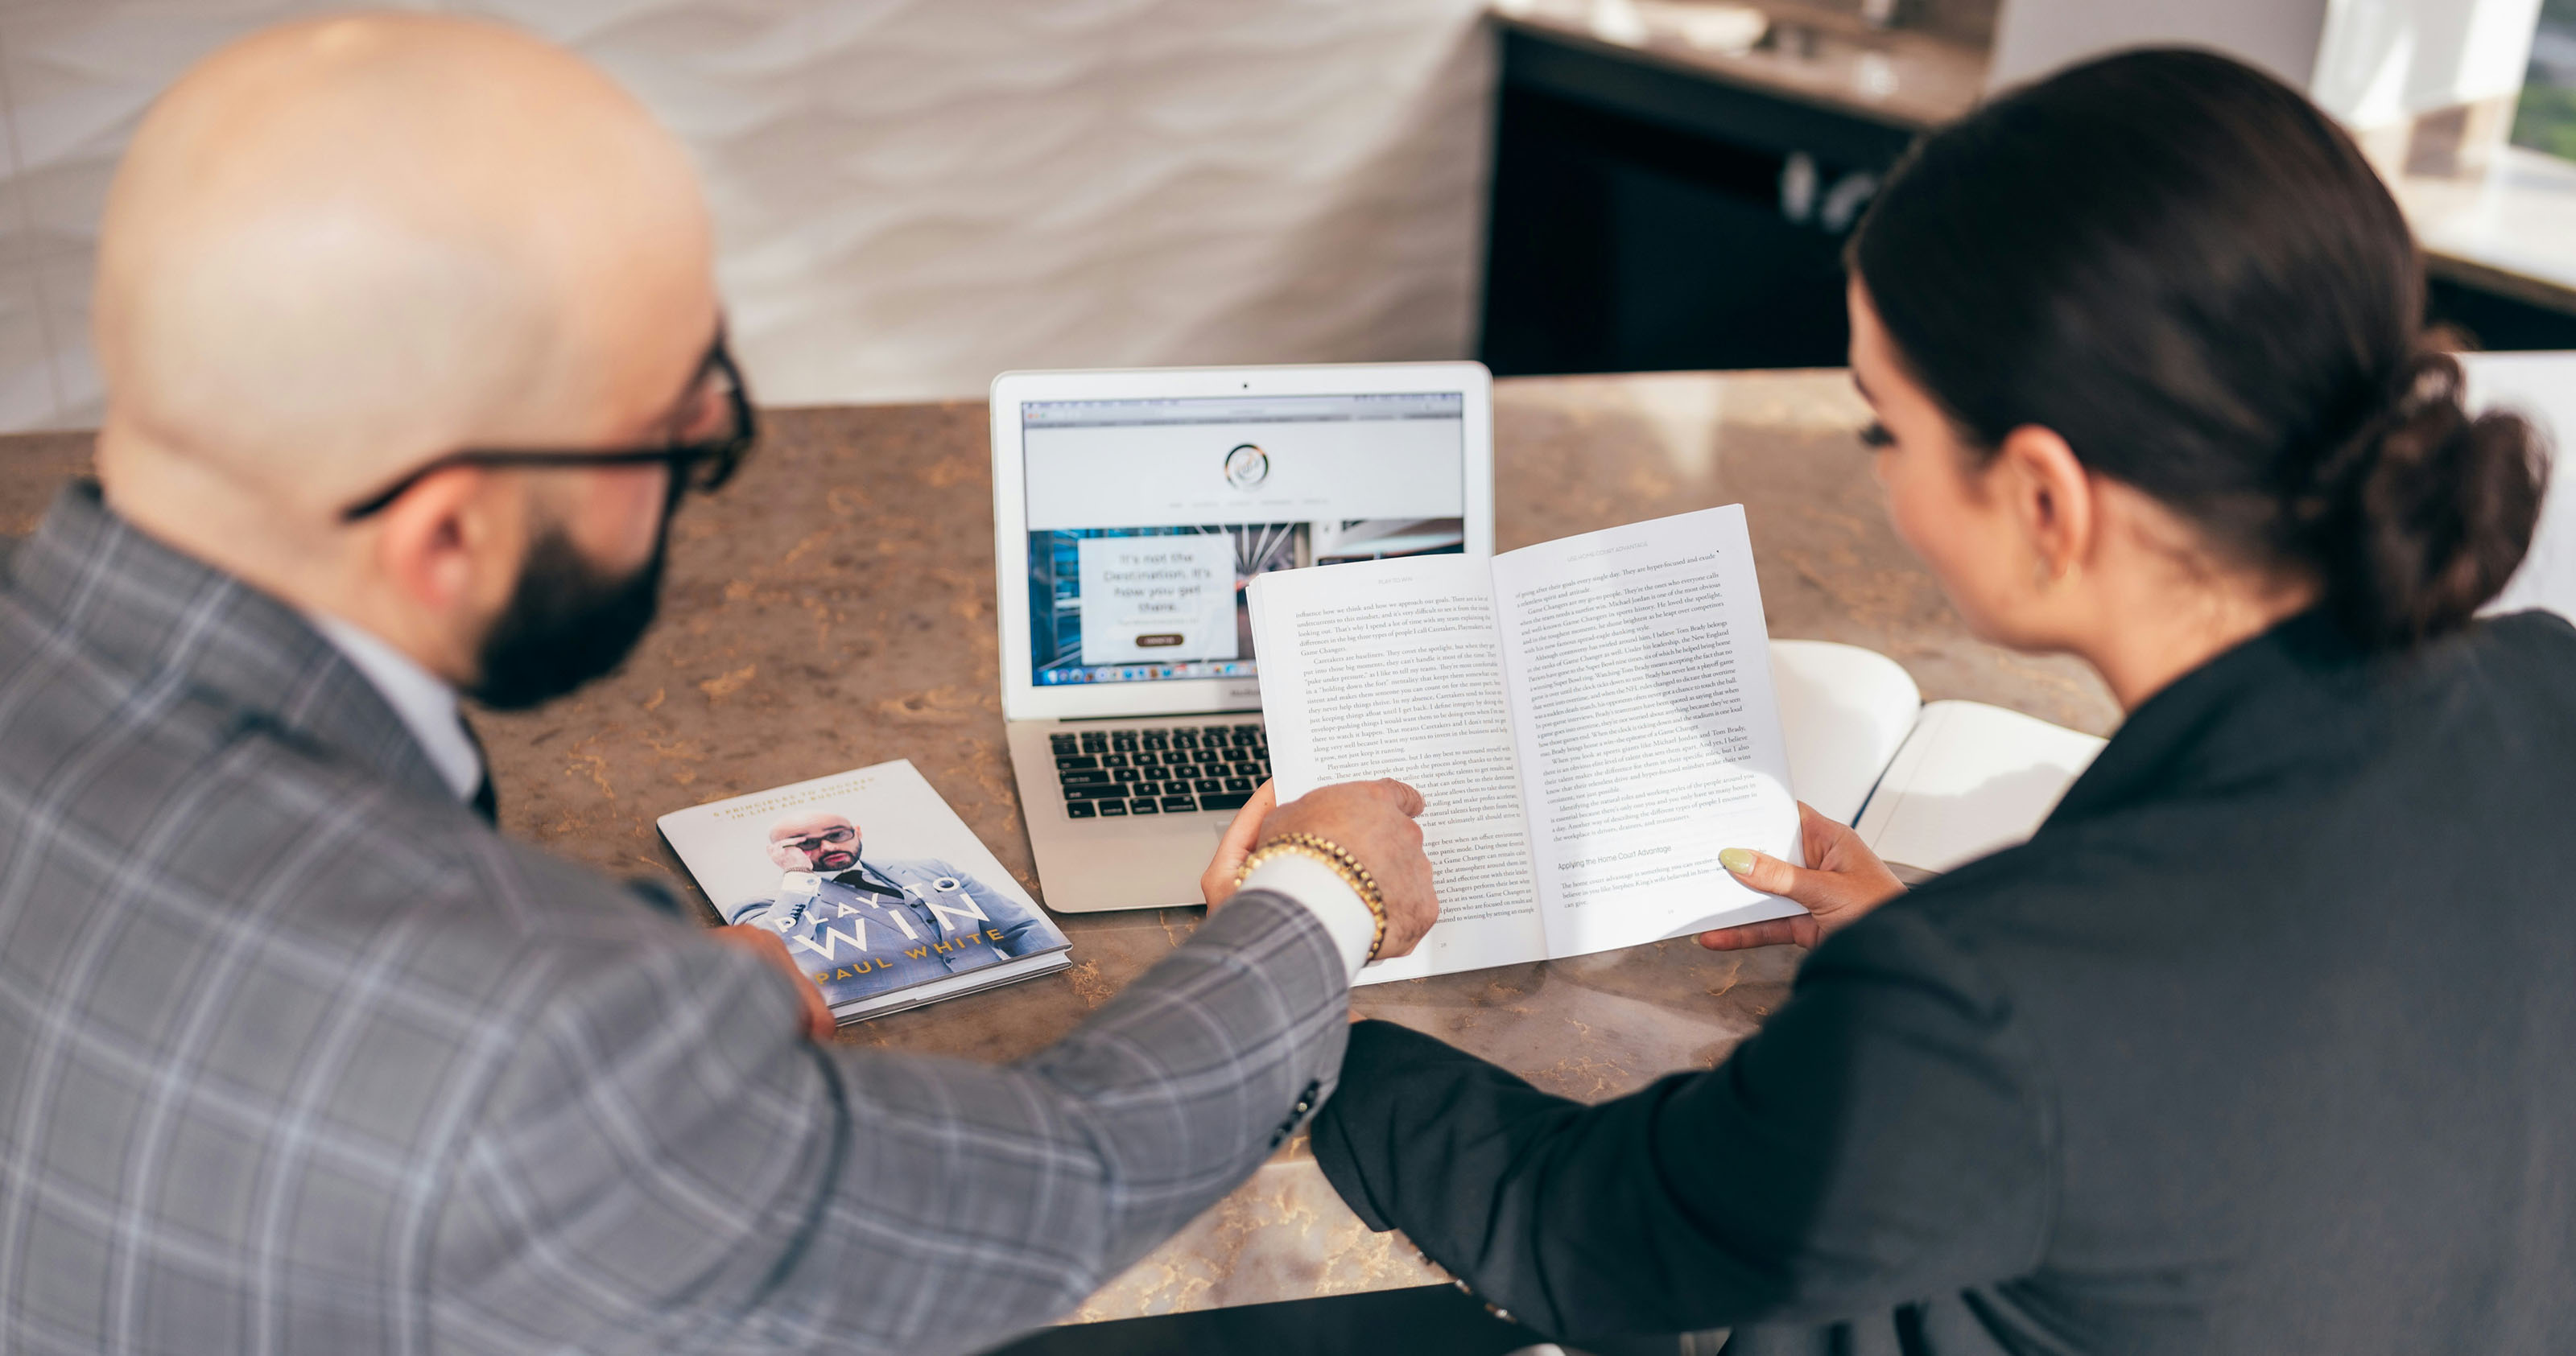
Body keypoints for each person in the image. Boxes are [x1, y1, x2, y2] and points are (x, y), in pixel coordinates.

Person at [0, 14, 1439, 1354]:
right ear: (451, 532)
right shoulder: (550, 1051)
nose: (700, 468)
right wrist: (1323, 888)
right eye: (679, 436)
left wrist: (652, 1050)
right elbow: (1058, 1186)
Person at [1311, 47, 2573, 1356]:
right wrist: (1937, 985)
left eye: (1885, 431)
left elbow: (1586, 1234)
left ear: (2044, 500)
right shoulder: (2551, 687)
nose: (1882, 484)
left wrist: (1290, 989)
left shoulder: (1992, 1005)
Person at [729, 811, 1052, 990]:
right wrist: (798, 873)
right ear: (779, 851)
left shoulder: (931, 868)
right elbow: (773, 951)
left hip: (1008, 992)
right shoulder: (761, 904)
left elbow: (1019, 929)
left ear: (856, 831)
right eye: (808, 843)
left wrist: (1046, 979)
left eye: (837, 834)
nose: (827, 848)